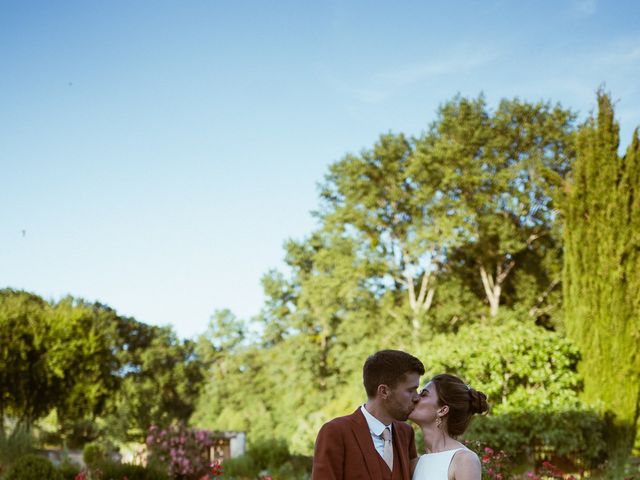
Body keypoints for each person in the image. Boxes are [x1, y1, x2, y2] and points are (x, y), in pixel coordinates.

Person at [312, 349, 425, 480]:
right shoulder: (335, 432)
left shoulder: (406, 433)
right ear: (383, 391)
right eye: (411, 390)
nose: (417, 397)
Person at [409, 373, 489, 480]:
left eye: (423, 394)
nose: (415, 398)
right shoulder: (414, 465)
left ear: (442, 410)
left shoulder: (464, 460)